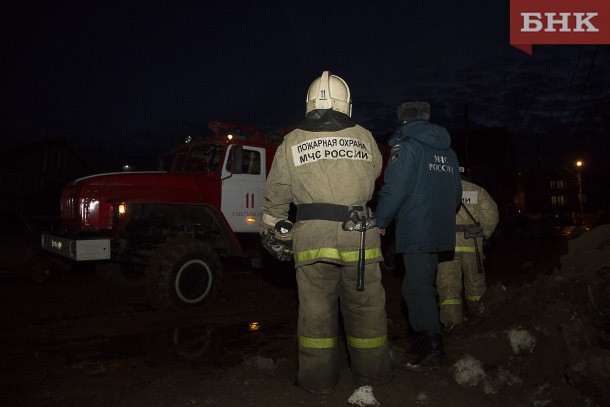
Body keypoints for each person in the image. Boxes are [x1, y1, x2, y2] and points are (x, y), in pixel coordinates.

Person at [260, 71, 392, 394]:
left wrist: (275, 234)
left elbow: (274, 201)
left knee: (316, 314)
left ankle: (318, 382)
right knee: (367, 310)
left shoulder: (290, 142)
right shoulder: (365, 137)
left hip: (311, 239)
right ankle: (373, 376)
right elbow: (376, 173)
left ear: (308, 104)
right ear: (346, 105)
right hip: (359, 238)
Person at [374, 101, 462, 371]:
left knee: (416, 289)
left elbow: (396, 187)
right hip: (440, 227)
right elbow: (457, 194)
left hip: (417, 226)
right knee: (425, 284)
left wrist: (381, 219)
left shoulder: (406, 145)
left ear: (403, 121)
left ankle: (432, 352)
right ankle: (425, 344)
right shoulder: (448, 151)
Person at [436, 170, 499, 332]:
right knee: (476, 286)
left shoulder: (441, 189)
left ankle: (452, 326)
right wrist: (483, 233)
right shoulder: (477, 190)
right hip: (472, 246)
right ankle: (479, 321)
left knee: (448, 287)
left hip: (447, 247)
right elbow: (492, 215)